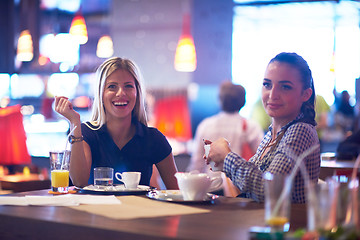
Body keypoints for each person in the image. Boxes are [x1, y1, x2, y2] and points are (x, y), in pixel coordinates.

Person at [205, 52, 321, 203]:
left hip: (289, 225)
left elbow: (268, 190)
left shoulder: (300, 130)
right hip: (263, 223)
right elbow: (251, 184)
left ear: (305, 94)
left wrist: (227, 157)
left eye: (285, 87)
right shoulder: (272, 134)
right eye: (267, 84)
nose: (272, 94)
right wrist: (221, 161)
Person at [54, 57, 179, 189]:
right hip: (97, 209)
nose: (121, 93)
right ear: (101, 94)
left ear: (137, 92)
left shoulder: (153, 138)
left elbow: (177, 192)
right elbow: (79, 181)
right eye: (112, 87)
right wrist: (75, 123)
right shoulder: (87, 133)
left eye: (128, 86)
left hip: (139, 210)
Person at [187, 80, 264, 196]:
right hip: (238, 187)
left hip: (210, 187)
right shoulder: (250, 126)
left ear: (220, 100)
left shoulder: (205, 125)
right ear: (243, 102)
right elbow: (262, 158)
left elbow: (197, 163)